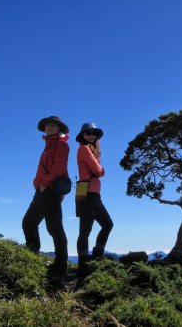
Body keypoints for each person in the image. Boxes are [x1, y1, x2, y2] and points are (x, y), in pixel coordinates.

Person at [22, 115, 70, 279]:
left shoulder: (62, 146)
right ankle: (60, 265)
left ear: (59, 129)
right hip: (46, 189)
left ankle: (33, 259)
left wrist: (42, 184)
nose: (49, 127)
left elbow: (59, 168)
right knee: (54, 228)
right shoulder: (47, 146)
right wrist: (37, 183)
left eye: (53, 125)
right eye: (48, 125)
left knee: (28, 222)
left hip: (49, 190)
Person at [75, 121, 113, 278]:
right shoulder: (84, 149)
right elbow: (98, 171)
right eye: (88, 133)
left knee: (85, 231)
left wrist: (97, 161)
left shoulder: (91, 150)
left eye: (94, 133)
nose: (91, 135)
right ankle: (96, 260)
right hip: (90, 193)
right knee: (107, 224)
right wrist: (101, 168)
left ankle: (84, 267)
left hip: (86, 193)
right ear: (83, 135)